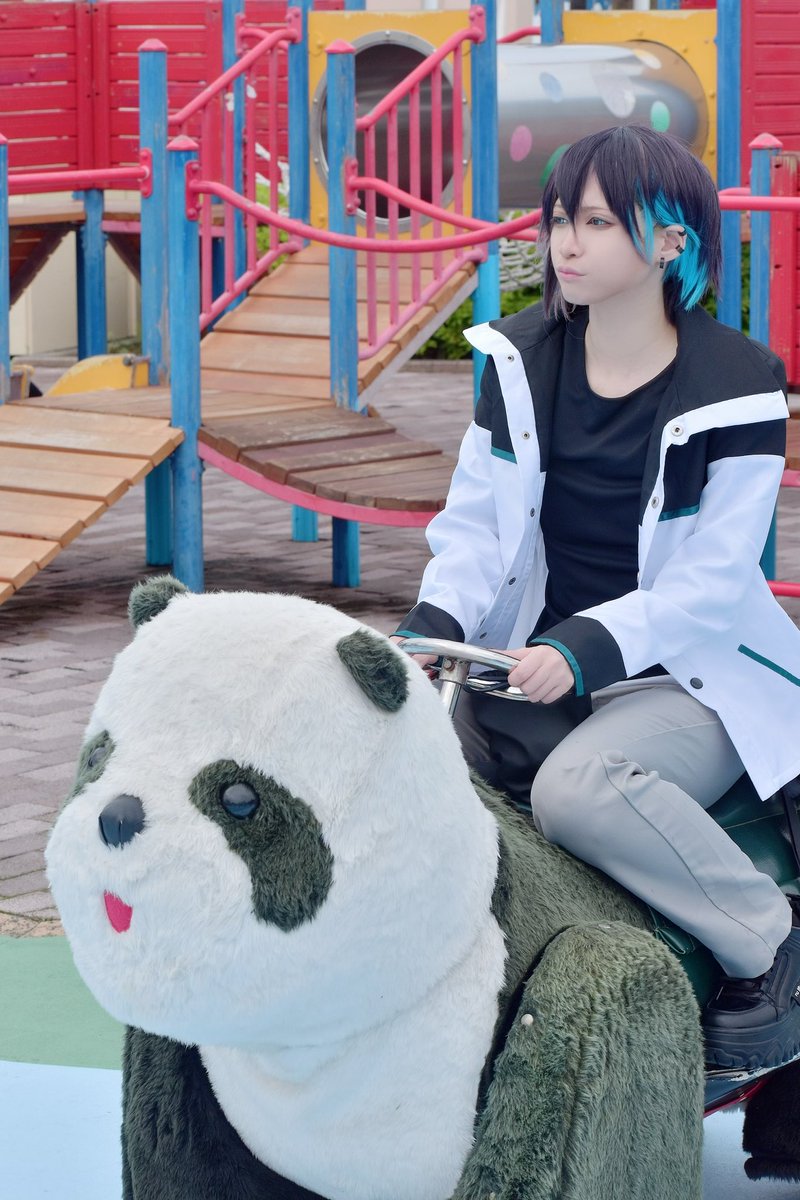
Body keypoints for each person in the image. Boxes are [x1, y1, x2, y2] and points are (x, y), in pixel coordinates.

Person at [391, 125, 800, 1075]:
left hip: (689, 680)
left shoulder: (738, 386)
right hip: (534, 665)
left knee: (579, 792)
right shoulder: (518, 360)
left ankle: (770, 939)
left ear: (670, 242)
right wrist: (437, 625)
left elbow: (710, 583)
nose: (565, 243)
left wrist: (583, 646)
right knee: (396, 755)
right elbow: (474, 529)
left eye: (598, 222)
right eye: (558, 220)